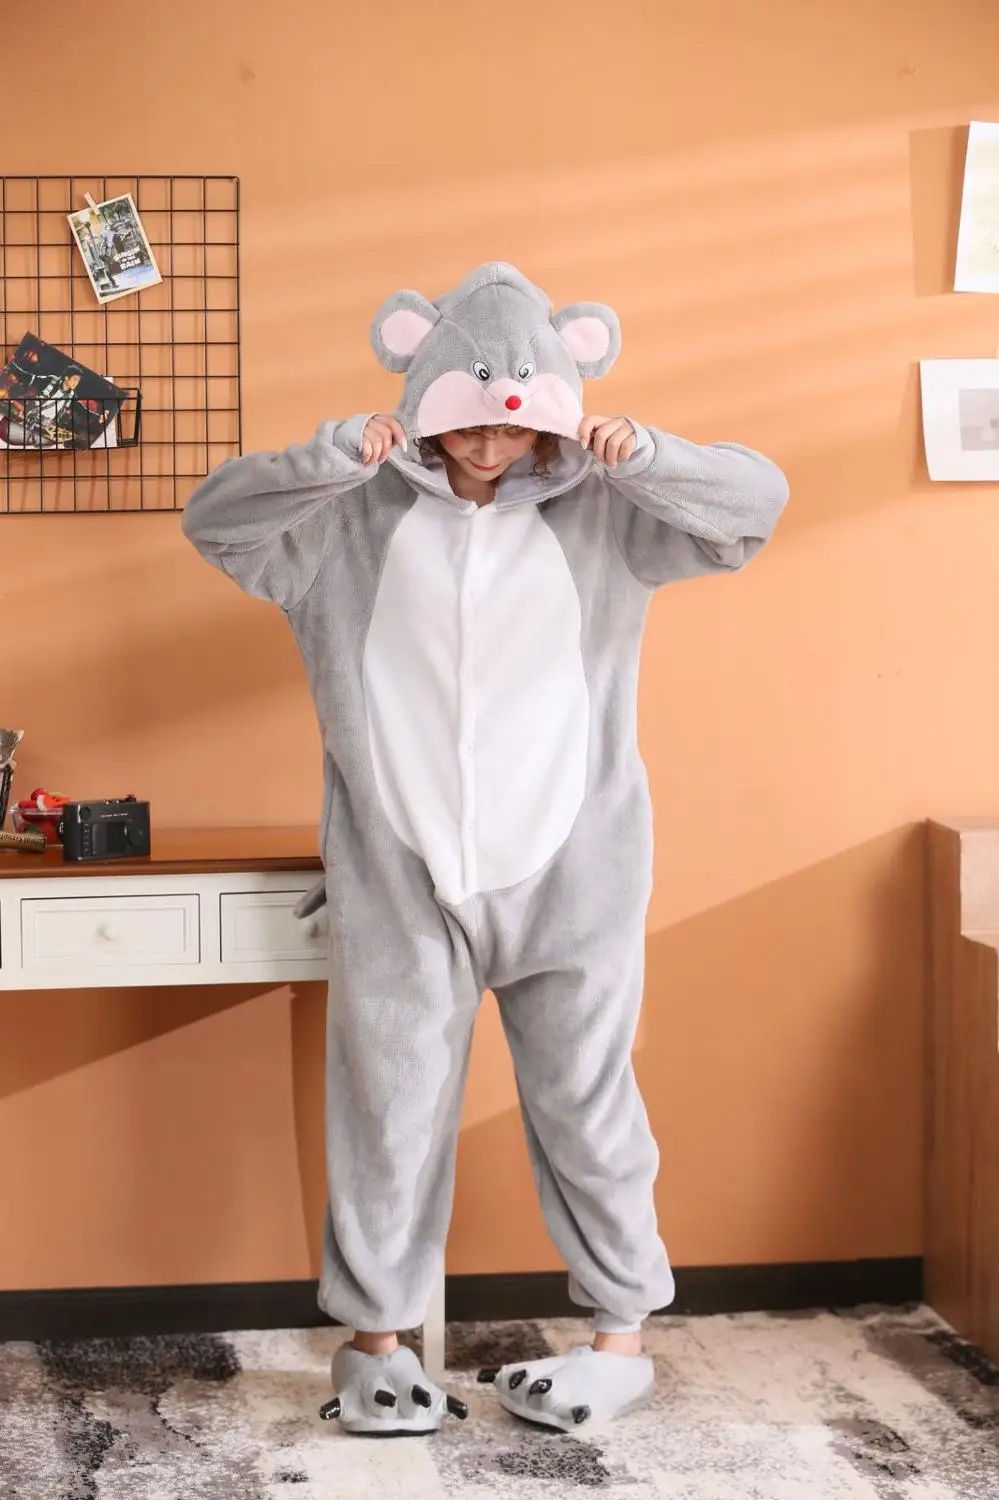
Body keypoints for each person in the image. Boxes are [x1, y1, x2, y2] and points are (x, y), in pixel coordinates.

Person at [181, 261, 789, 1437]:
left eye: (514, 424)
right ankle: (376, 1350)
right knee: (389, 1113)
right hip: (401, 876)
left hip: (574, 873)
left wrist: (646, 456)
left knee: (589, 1109)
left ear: (555, 405)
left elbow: (755, 506)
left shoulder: (608, 513)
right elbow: (215, 519)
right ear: (420, 394)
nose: (489, 446)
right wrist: (328, 460)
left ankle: (619, 1341)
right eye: (466, 419)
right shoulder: (345, 521)